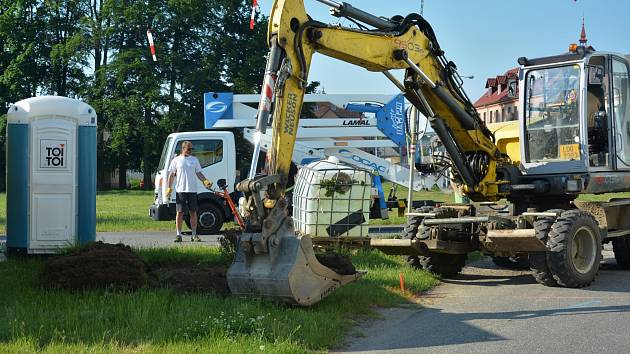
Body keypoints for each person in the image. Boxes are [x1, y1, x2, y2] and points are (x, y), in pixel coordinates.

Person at [166, 141, 213, 242]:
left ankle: (194, 235)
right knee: (180, 213)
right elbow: (171, 175)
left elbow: (199, 173)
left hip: (192, 190)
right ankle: (178, 235)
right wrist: (168, 188)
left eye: (192, 149)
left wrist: (205, 180)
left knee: (193, 212)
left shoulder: (194, 160)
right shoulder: (176, 160)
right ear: (183, 149)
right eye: (189, 149)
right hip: (180, 190)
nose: (191, 151)